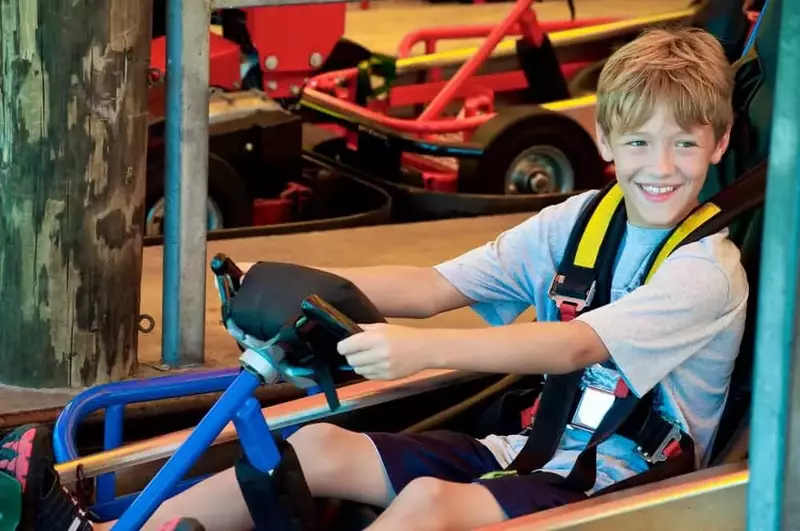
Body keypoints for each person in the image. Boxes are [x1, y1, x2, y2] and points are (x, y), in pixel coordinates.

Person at [11, 26, 747, 531]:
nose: (662, 165)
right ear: (606, 143)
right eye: (641, 141)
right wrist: (292, 283)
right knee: (316, 446)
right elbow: (432, 285)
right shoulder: (583, 218)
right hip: (530, 451)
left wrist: (427, 350)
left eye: (685, 142)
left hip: (623, 483)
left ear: (717, 143)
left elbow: (575, 346)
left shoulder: (707, 270)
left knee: (428, 502)